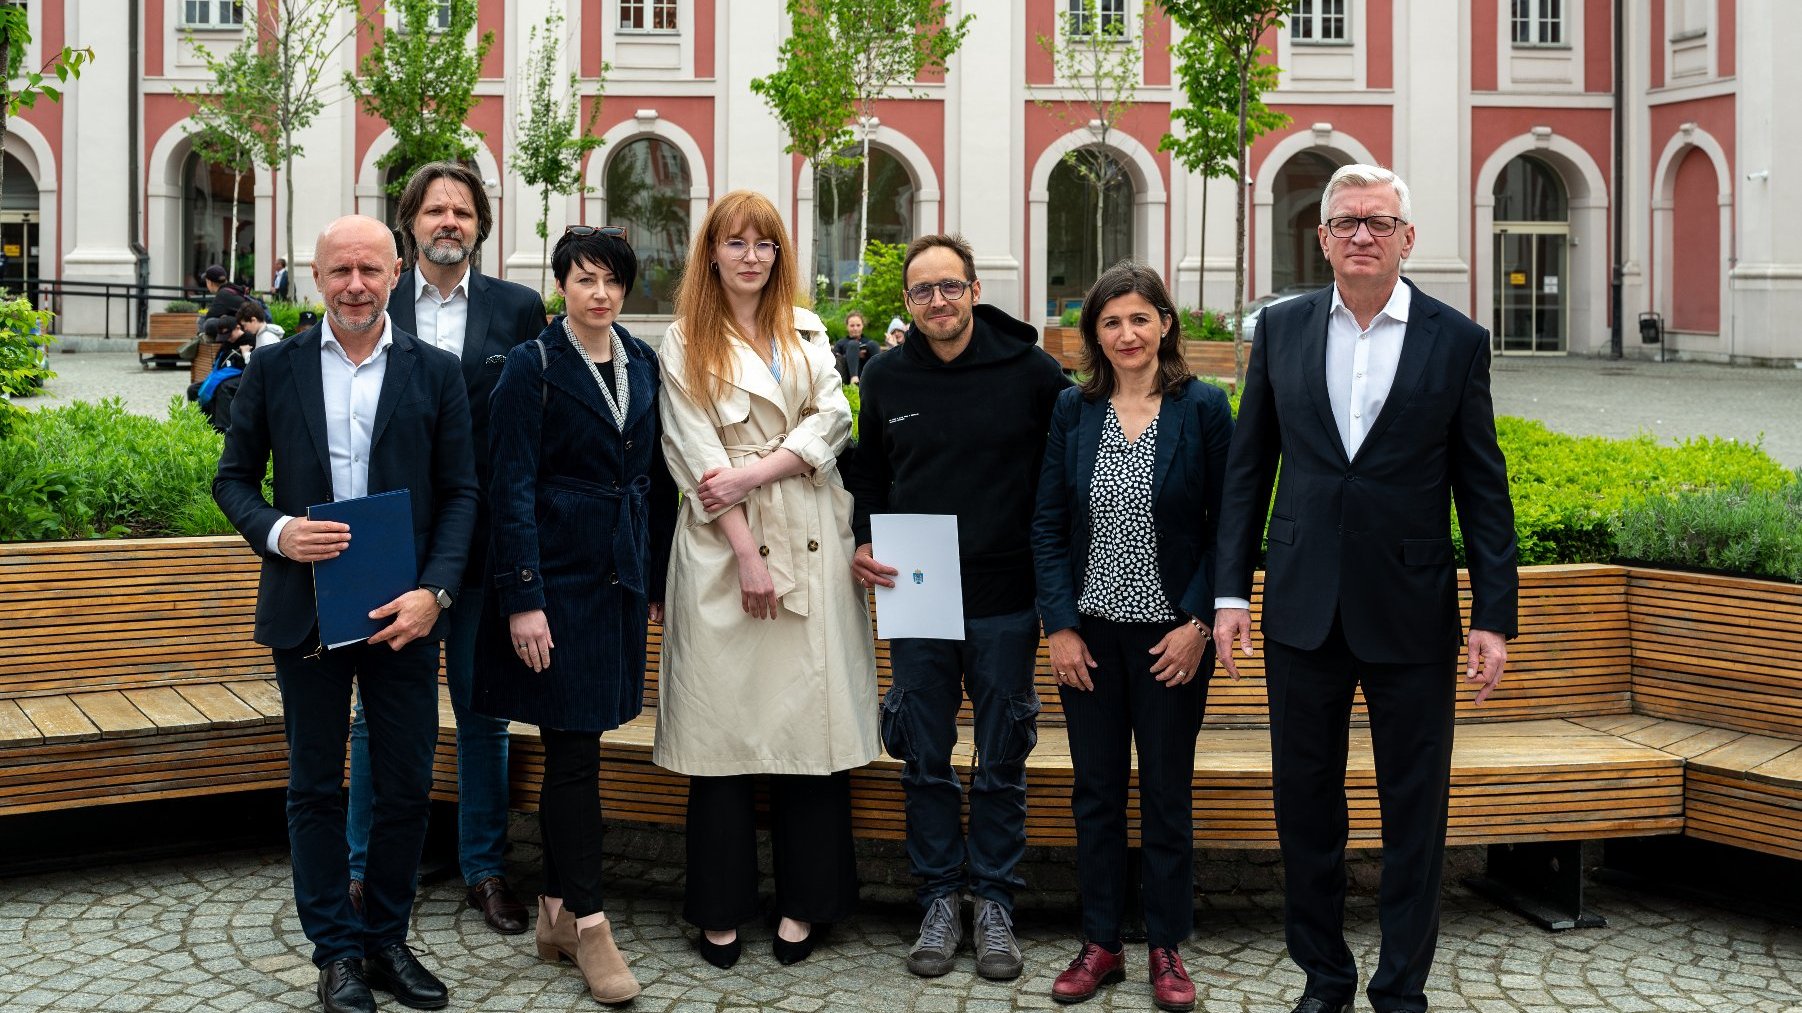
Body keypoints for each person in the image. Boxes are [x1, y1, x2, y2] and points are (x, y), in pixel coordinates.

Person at [1211, 164, 1518, 1013]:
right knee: (1305, 805)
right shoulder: (1281, 329)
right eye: (1345, 221)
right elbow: (1248, 469)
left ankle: (1401, 988)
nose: (1361, 235)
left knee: (1414, 812)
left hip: (1411, 611)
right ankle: (1323, 977)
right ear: (1321, 238)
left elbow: (1482, 486)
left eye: (1378, 222)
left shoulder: (1456, 340)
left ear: (1407, 238)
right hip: (1303, 609)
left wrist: (1494, 613)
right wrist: (1230, 594)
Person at [212, 214, 477, 1013]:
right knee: (314, 786)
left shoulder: (435, 372)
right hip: (308, 610)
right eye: (339, 272)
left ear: (396, 272)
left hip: (404, 612)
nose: (355, 285)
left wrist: (436, 591)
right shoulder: (277, 366)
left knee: (404, 784)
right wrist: (281, 531)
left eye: (370, 269)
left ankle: (386, 939)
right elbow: (233, 480)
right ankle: (337, 952)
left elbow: (464, 493)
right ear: (315, 277)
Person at [655, 189, 878, 970]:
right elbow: (692, 456)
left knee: (806, 736)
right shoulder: (683, 340)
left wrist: (761, 466)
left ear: (780, 255)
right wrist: (747, 553)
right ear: (711, 252)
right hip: (725, 549)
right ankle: (719, 906)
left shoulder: (807, 328)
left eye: (765, 244)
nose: (751, 256)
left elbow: (835, 418)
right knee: (724, 735)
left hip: (811, 532)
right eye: (735, 242)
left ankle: (805, 902)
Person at [848, 233, 1069, 981]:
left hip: (1007, 599)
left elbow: (1058, 482)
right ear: (906, 304)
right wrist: (861, 540)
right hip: (918, 595)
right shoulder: (883, 377)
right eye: (922, 291)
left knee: (1003, 757)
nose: (937, 300)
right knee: (926, 758)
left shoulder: (1033, 373)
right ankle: (941, 897)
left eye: (950, 286)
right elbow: (869, 475)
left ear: (974, 289)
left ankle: (997, 902)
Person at [344, 161, 548, 936]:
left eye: (462, 210)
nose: (449, 221)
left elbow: (531, 431)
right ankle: (363, 869)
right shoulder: (372, 298)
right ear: (409, 224)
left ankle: (485, 868)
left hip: (483, 542)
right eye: (435, 210)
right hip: (388, 540)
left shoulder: (517, 308)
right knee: (374, 718)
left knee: (483, 713)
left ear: (481, 225)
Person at [475, 225, 676, 1005]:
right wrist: (523, 596)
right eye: (585, 278)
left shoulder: (642, 360)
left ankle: (555, 913)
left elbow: (656, 478)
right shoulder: (531, 367)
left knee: (583, 743)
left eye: (613, 280)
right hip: (555, 583)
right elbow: (510, 487)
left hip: (618, 579)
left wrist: (653, 574)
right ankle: (590, 923)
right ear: (561, 284)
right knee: (573, 754)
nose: (600, 292)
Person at [1030, 262, 1233, 1012]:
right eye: (1111, 322)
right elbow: (1047, 525)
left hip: (1170, 641)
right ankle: (1101, 941)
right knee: (1097, 793)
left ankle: (1168, 947)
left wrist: (1199, 622)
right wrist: (1059, 627)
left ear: (1166, 325)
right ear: (1095, 335)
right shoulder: (1072, 411)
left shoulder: (1204, 408)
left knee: (1167, 793)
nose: (1127, 334)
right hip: (1090, 640)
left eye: (1140, 319)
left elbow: (1229, 526)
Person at [832, 310, 883, 384]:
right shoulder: (841, 343)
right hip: (848, 374)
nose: (855, 328)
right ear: (847, 327)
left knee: (873, 344)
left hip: (867, 373)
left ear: (862, 326)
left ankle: (879, 377)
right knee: (853, 344)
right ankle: (854, 380)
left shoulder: (868, 342)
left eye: (858, 325)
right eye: (852, 326)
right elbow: (835, 359)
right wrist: (852, 355)